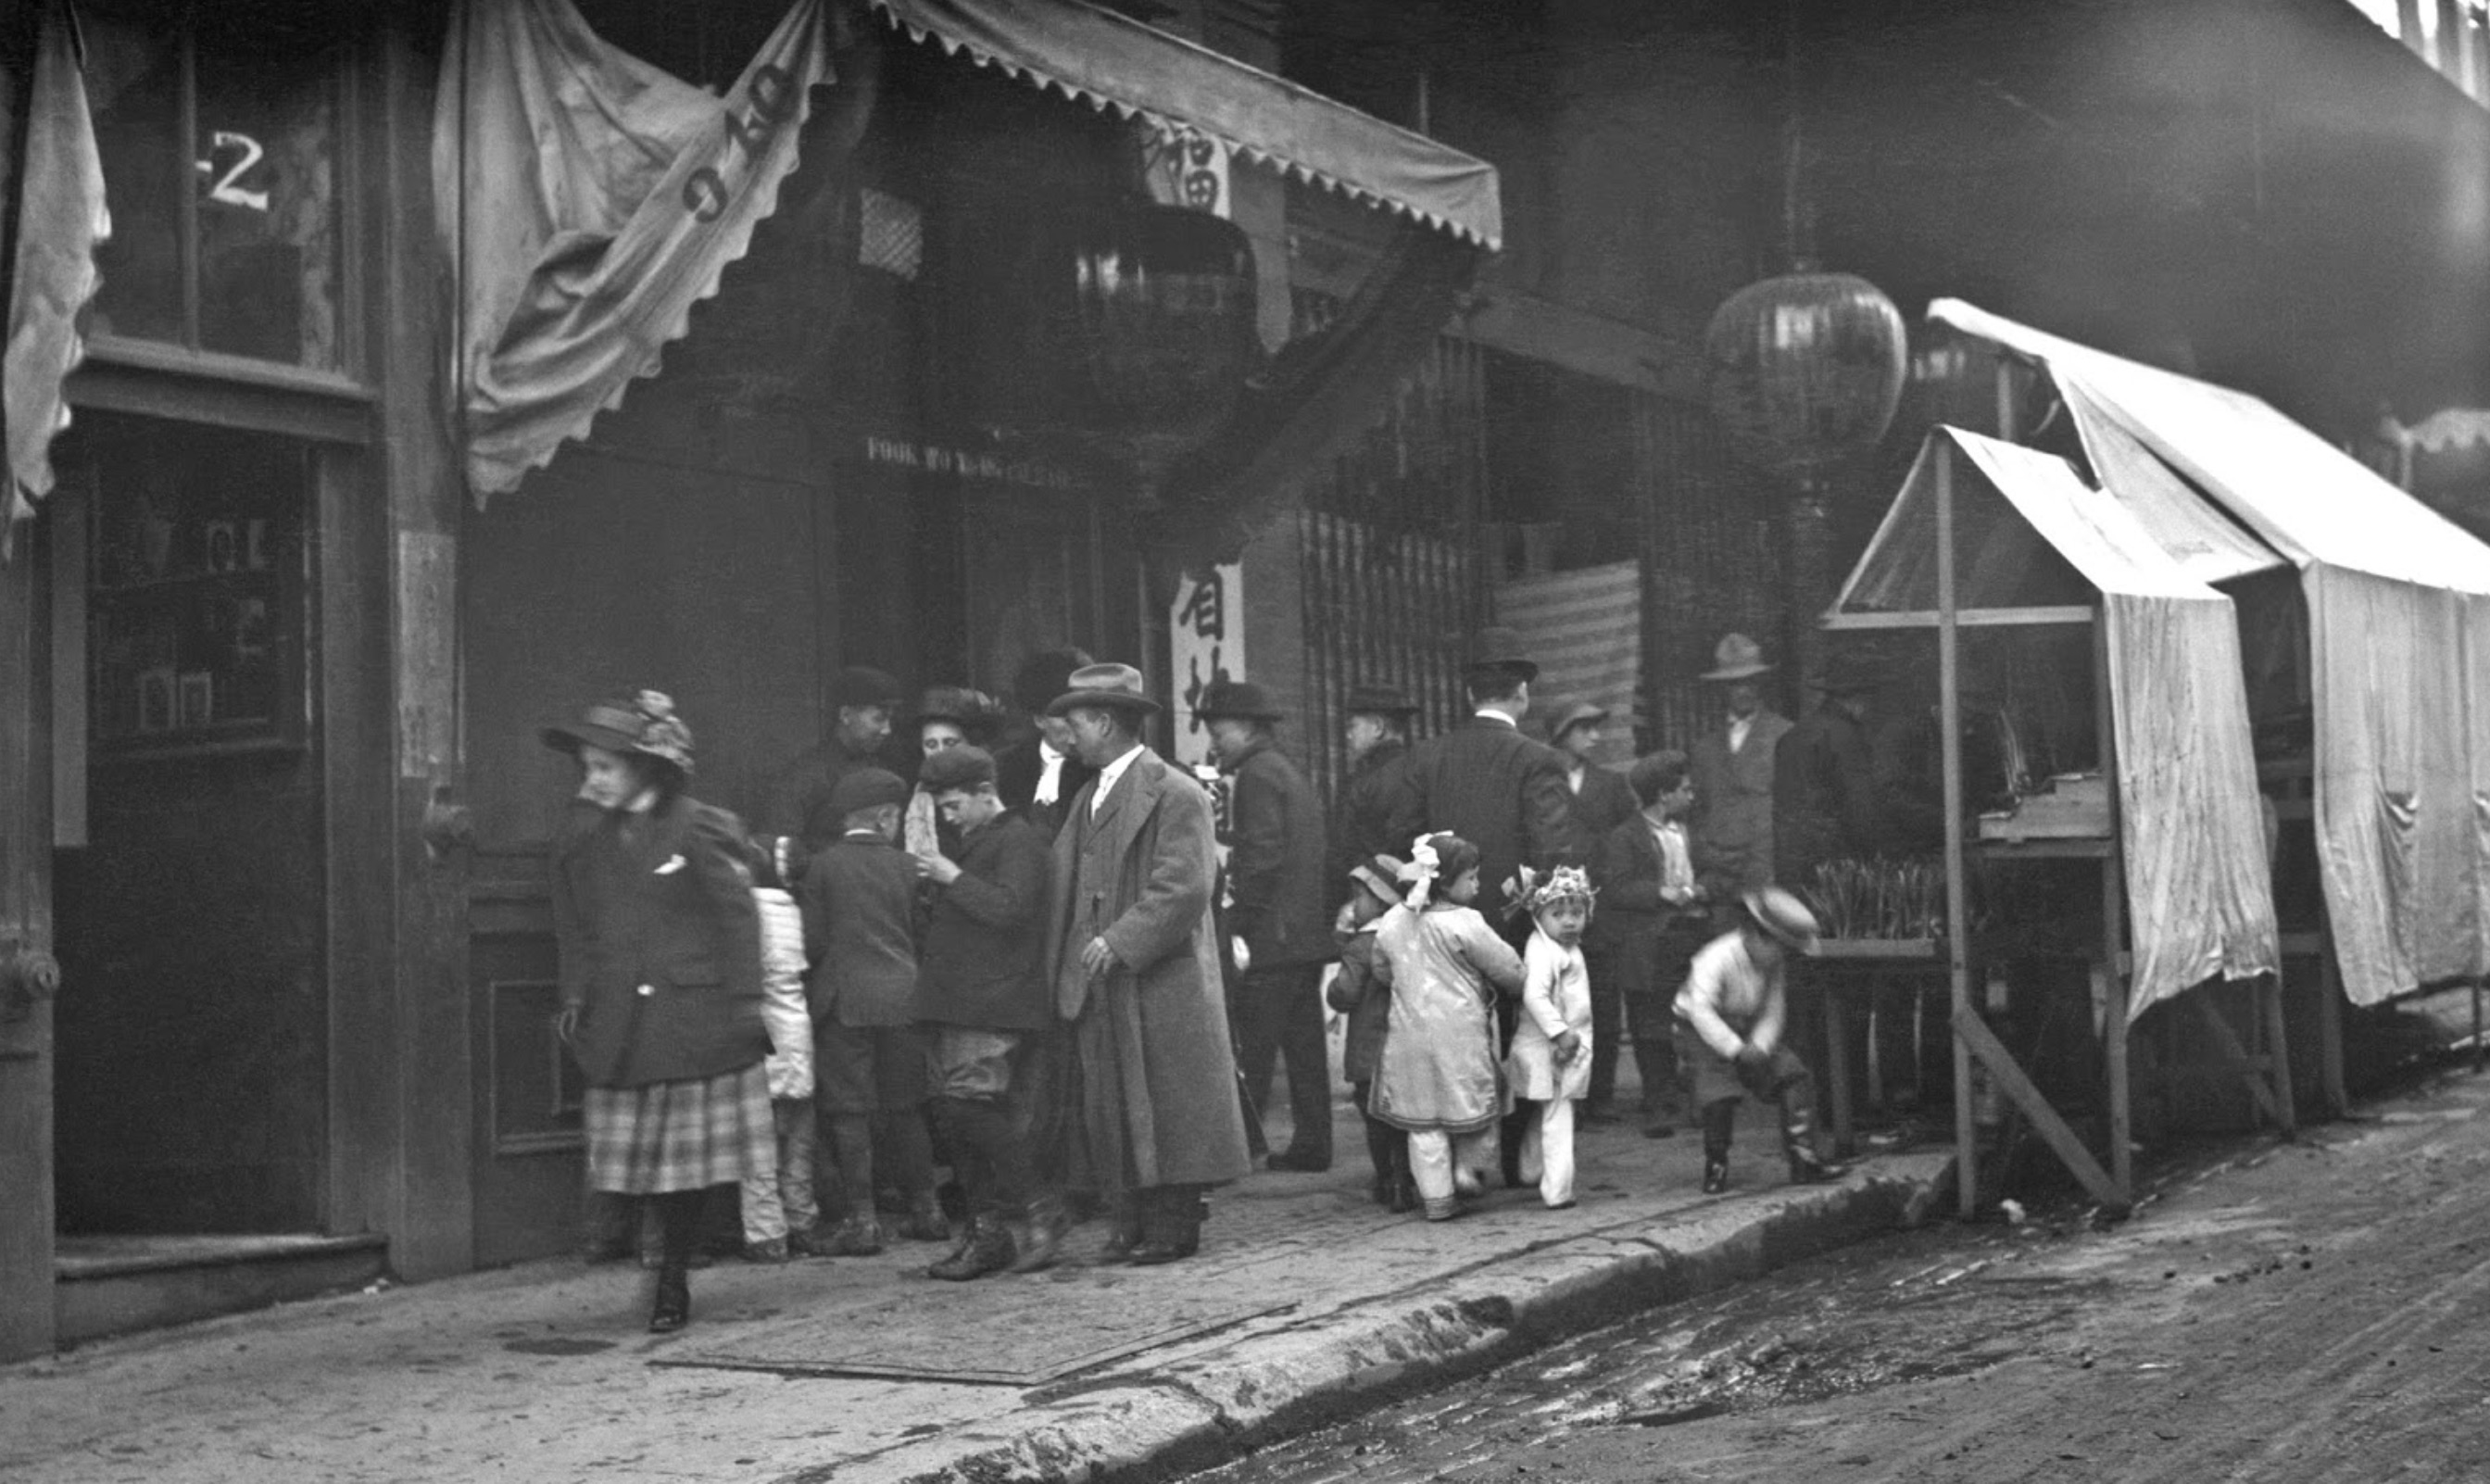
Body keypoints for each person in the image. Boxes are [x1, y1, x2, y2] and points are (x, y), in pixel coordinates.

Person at [545, 691, 773, 1334]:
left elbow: (738, 918)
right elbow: (577, 927)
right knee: (637, 1163)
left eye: (604, 768)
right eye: (587, 768)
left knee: (683, 1168)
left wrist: (746, 1002)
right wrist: (576, 996)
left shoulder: (699, 826)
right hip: (620, 1021)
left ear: (645, 768)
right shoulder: (587, 837)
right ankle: (654, 1259)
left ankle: (672, 1277)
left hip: (692, 1021)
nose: (591, 781)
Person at [1043, 662, 1254, 1264]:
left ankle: (1173, 1227)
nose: (1069, 736)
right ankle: (1131, 1221)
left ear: (1106, 722)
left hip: (1163, 978)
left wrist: (1120, 940)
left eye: (1077, 723)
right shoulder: (1087, 796)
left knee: (1170, 1105)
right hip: (1102, 981)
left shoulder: (1175, 791)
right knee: (1114, 1104)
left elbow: (1185, 887)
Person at [1391, 626, 1582, 1187]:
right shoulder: (1538, 760)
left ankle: (1459, 1158)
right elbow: (1552, 853)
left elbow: (1404, 839)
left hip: (1440, 929)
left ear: (1470, 693)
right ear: (1522, 693)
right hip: (1513, 929)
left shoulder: (1428, 757)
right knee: (1523, 1037)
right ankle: (1519, 1156)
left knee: (1454, 1040)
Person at [909, 745, 1058, 1279]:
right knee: (957, 1118)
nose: (949, 817)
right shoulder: (980, 842)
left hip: (993, 1001)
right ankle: (987, 1234)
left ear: (985, 792)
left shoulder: (1019, 840)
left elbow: (1012, 910)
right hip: (962, 1002)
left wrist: (951, 877)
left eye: (954, 805)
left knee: (968, 1109)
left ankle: (1041, 1208)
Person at [798, 766, 948, 1254]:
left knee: (850, 1112)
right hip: (903, 1001)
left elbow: (812, 942)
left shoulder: (823, 866)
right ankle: (928, 1211)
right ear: (885, 818)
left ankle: (862, 1223)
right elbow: (923, 936)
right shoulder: (908, 867)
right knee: (906, 1108)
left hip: (845, 1004)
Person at [1198, 679, 1337, 1173]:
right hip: (1302, 937)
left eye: (1220, 732)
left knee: (1252, 1047)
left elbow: (1262, 857)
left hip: (1272, 938)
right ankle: (1314, 1144)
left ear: (1248, 726)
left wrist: (1238, 921)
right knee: (1304, 1051)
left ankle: (1235, 1152)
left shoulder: (1257, 775)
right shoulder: (1285, 770)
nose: (1215, 743)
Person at [1369, 833, 1527, 1222]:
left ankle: (1437, 1199)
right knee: (1479, 1103)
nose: (1477, 885)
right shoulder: (1465, 922)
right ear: (1445, 881)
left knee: (1423, 1121)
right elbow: (1509, 968)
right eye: (1471, 877)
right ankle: (1468, 1169)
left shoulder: (1394, 920)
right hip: (1460, 1034)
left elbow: (1380, 968)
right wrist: (1519, 985)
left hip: (1408, 1036)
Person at [1674, 887, 1849, 1194]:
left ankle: (1804, 1158)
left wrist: (1761, 1044)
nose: (1781, 955)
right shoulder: (1715, 957)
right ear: (1753, 934)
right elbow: (1700, 1010)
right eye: (1777, 946)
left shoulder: (1773, 964)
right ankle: (1716, 1163)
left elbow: (1772, 1009)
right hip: (1701, 1030)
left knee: (1792, 1074)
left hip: (1747, 1028)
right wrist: (1734, 1048)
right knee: (1719, 1093)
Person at [1591, 749, 1720, 1139]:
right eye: (1685, 789)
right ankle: (1657, 1103)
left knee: (1697, 1017)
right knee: (1651, 1026)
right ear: (1663, 794)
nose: (1691, 796)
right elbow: (1616, 889)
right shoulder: (1625, 837)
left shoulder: (1691, 832)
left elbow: (1715, 871)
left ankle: (1701, 1099)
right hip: (1650, 943)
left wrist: (1702, 888)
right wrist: (1661, 892)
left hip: (1693, 935)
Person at [1549, 698, 1638, 1123]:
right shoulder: (1542, 782)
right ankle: (1567, 1095)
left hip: (1602, 911)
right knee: (1559, 1004)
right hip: (1555, 910)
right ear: (1562, 735)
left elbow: (1627, 839)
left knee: (1602, 1004)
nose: (1595, 737)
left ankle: (1600, 1095)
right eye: (1585, 729)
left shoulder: (1612, 785)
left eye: (1597, 728)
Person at [737, 849, 818, 1262]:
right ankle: (802, 1220)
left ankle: (766, 1233)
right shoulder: (792, 909)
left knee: (759, 1142)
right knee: (798, 1138)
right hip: (797, 1031)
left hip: (761, 1034)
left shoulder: (745, 914)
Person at [1503, 864, 1598, 1211]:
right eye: (1558, 914)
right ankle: (1558, 1190)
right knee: (1559, 1115)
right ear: (1538, 916)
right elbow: (1535, 995)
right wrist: (1560, 1033)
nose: (1569, 922)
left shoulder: (1566, 946)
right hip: (1553, 1046)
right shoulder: (1543, 949)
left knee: (1546, 1109)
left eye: (1577, 913)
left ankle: (1530, 1169)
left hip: (1564, 1043)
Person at [1325, 853, 1413, 1211]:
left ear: (1380, 901)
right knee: (1404, 1121)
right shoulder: (1408, 936)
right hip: (1404, 1049)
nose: (1353, 905)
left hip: (1369, 1053)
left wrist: (1333, 986)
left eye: (1359, 896)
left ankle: (1387, 1180)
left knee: (1376, 1121)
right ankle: (1407, 1179)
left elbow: (1345, 994)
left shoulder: (1362, 946)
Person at [762, 664, 906, 861]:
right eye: (879, 719)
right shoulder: (806, 775)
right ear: (846, 715)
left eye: (889, 720)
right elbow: (781, 845)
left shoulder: (881, 768)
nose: (887, 730)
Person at [1687, 634, 1792, 897]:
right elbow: (1696, 811)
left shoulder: (1784, 735)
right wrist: (1706, 856)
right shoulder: (1705, 747)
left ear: (1760, 684)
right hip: (1718, 875)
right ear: (1722, 688)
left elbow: (1794, 809)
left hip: (1768, 870)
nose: (1743, 690)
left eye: (1750, 681)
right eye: (1734, 683)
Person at [996, 647, 1096, 841]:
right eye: (1065, 717)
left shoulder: (1102, 767)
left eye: (1085, 714)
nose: (1077, 726)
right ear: (1040, 719)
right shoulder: (1003, 768)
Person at [1331, 684, 1419, 897]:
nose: (1348, 736)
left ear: (1378, 727)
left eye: (1353, 727)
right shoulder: (1422, 771)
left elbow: (1343, 852)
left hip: (1372, 897)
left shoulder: (1361, 782)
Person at [904, 685, 1004, 861]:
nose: (941, 752)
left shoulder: (992, 790)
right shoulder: (917, 798)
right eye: (931, 745)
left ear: (971, 744)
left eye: (950, 743)